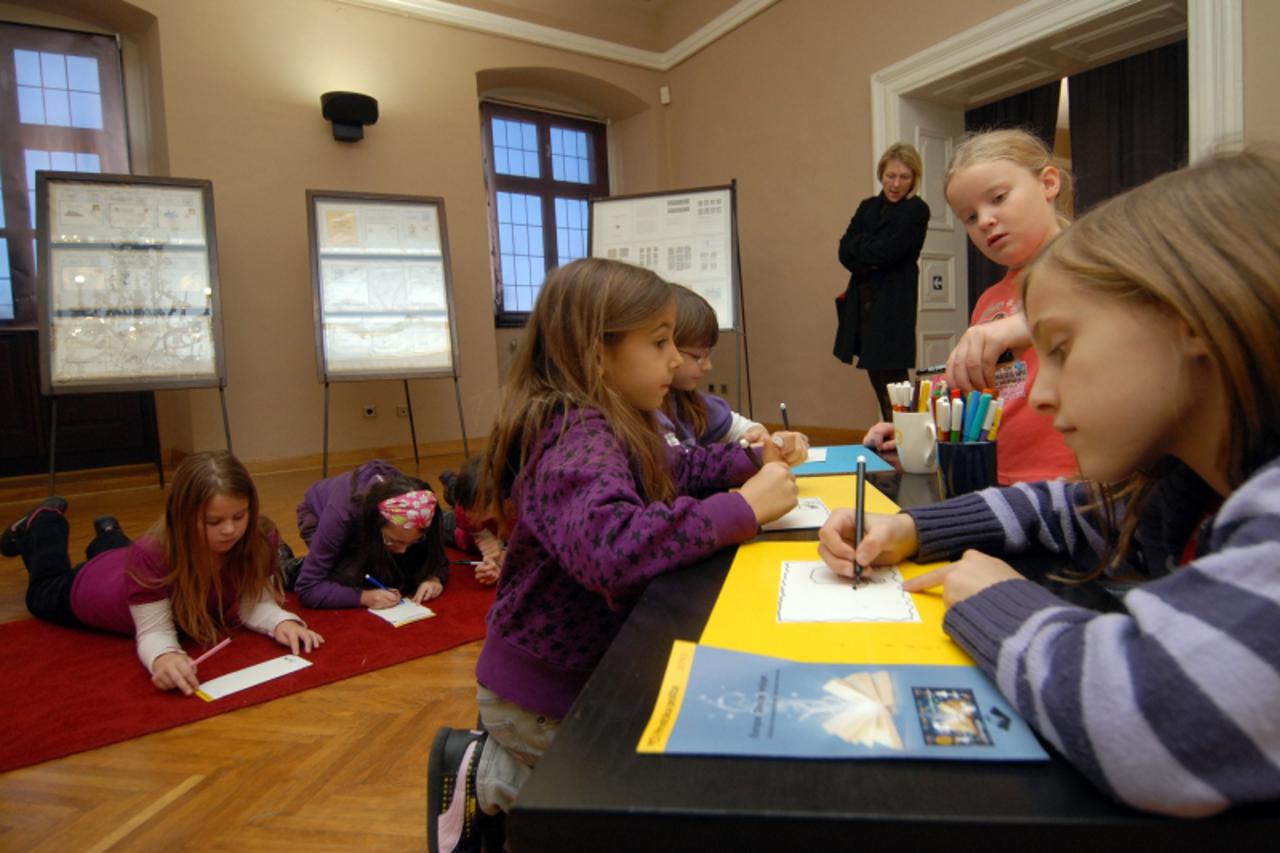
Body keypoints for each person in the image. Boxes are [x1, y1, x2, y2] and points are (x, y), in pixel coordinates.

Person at [818, 149, 1280, 817]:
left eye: (1059, 349)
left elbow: (1153, 721)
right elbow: (1068, 506)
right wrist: (913, 526)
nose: (1038, 394)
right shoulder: (1183, 488)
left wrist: (995, 600)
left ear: (1195, 322)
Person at [426, 258, 806, 852]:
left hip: (586, 669)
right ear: (596, 352)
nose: (675, 360)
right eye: (659, 343)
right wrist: (742, 509)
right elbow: (612, 548)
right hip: (546, 695)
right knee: (649, 807)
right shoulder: (573, 435)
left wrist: (752, 459)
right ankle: (494, 775)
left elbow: (675, 468)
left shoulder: (614, 419)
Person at [0, 450, 323, 696]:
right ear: (181, 517)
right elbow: (154, 633)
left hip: (127, 564)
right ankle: (45, 522)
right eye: (213, 521)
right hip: (91, 588)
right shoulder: (152, 554)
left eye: (239, 516)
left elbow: (256, 603)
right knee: (41, 591)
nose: (230, 530)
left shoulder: (259, 538)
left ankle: (109, 533)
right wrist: (164, 658)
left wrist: (282, 622)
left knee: (122, 552)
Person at [861, 129, 1077, 485]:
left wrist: (1022, 325)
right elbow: (981, 399)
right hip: (996, 478)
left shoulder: (1091, 265)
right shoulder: (990, 302)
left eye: (998, 198)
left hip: (1071, 484)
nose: (985, 221)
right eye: (970, 218)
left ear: (1048, 183)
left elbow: (1109, 308)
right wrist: (923, 427)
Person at [834, 142, 930, 421]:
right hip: (863, 303)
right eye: (891, 176)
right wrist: (870, 251)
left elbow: (891, 251)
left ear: (914, 178)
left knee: (895, 381)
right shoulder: (868, 207)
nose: (896, 184)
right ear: (881, 175)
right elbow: (844, 251)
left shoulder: (916, 210)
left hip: (892, 304)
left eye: (904, 177)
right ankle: (893, 431)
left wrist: (862, 247)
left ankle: (907, 433)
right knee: (876, 375)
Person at [293, 460, 449, 609]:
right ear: (375, 526)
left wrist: (434, 579)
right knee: (353, 578)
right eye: (394, 541)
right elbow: (308, 588)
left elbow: (437, 559)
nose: (403, 551)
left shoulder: (418, 508)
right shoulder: (341, 515)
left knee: (405, 567)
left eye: (414, 541)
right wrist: (365, 597)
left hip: (363, 524)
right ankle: (291, 567)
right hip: (317, 516)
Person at [658, 284, 768, 449]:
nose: (708, 366)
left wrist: (755, 434)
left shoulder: (689, 402)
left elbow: (739, 427)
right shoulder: (642, 412)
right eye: (697, 357)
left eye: (708, 355)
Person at [439, 457, 502, 586]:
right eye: (472, 510)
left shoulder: (511, 506)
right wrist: (483, 535)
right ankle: (451, 482)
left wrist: (500, 554)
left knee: (457, 493)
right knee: (438, 523)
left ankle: (451, 482)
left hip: (492, 525)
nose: (475, 515)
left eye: (482, 511)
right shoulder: (464, 512)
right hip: (465, 533)